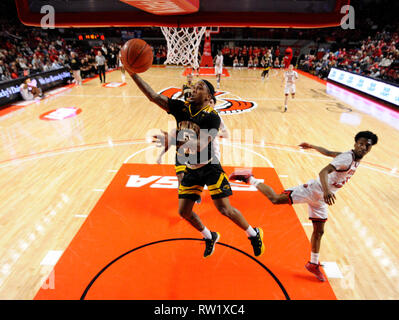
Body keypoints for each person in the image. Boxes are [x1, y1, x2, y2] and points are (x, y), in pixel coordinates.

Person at [128, 70, 265, 258]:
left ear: (208, 97)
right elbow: (152, 96)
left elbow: (200, 145)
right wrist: (132, 73)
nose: (193, 90)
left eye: (199, 88)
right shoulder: (180, 107)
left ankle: (253, 234)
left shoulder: (212, 116)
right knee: (184, 212)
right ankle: (209, 236)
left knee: (224, 209)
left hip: (210, 167)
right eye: (193, 87)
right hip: (191, 166)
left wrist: (174, 139)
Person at [229, 131, 378, 281]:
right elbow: (323, 172)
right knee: (275, 199)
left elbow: (330, 152)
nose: (363, 147)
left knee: (319, 231)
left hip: (320, 200)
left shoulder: (352, 158)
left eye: (367, 145)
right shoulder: (346, 158)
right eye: (361, 143)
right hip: (314, 190)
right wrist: (327, 191)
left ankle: (313, 263)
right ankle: (249, 178)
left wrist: (312, 146)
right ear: (355, 143)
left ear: (370, 149)